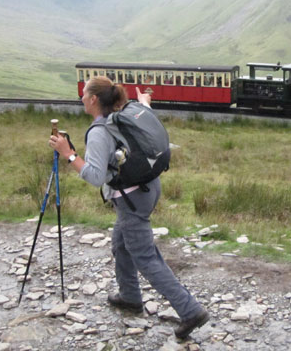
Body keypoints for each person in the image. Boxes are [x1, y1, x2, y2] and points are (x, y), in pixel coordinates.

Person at [49, 77, 209, 339]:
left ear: (92, 100)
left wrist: (68, 154)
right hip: (148, 186)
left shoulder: (100, 132)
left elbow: (95, 177)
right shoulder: (126, 112)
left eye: (84, 93)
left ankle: (190, 310)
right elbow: (143, 117)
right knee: (121, 244)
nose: (81, 98)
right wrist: (145, 102)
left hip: (131, 198)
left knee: (145, 256)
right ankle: (130, 296)